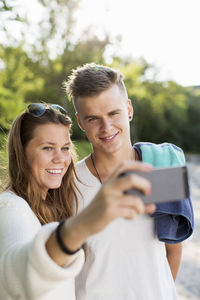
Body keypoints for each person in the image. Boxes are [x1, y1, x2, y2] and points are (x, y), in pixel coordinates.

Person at [0, 102, 156, 300]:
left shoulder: (52, 205)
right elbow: (17, 277)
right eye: (47, 148)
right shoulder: (9, 208)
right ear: (21, 152)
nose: (60, 158)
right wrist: (82, 225)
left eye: (65, 148)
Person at [65, 63, 194, 300]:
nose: (106, 127)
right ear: (81, 122)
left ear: (129, 109)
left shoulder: (162, 166)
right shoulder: (68, 184)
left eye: (114, 113)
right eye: (93, 119)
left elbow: (174, 250)